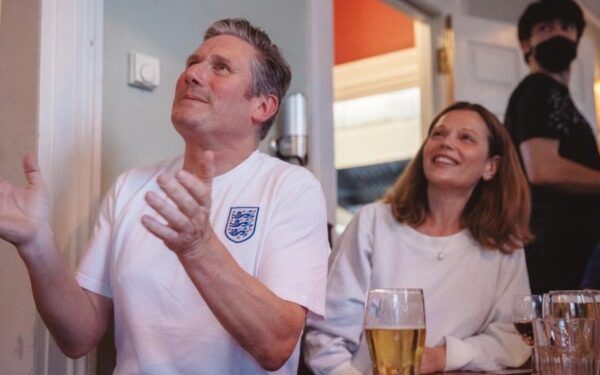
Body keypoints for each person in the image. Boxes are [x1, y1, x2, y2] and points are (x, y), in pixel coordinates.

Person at [0, 18, 329, 374]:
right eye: (193, 62)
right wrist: (37, 244)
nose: (194, 74)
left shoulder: (291, 188)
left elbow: (276, 345)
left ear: (262, 107)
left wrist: (198, 247)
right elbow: (78, 335)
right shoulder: (131, 187)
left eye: (220, 67)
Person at [303, 102, 533, 374]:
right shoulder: (373, 223)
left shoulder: (503, 245)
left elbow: (512, 340)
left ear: (491, 167)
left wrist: (443, 356)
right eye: (438, 134)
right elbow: (326, 339)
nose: (446, 142)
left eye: (465, 137)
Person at [504, 0, 600, 294]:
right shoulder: (538, 90)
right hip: (555, 247)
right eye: (545, 28)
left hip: (571, 246)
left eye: (567, 27)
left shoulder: (557, 95)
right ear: (525, 43)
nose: (558, 34)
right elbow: (542, 169)